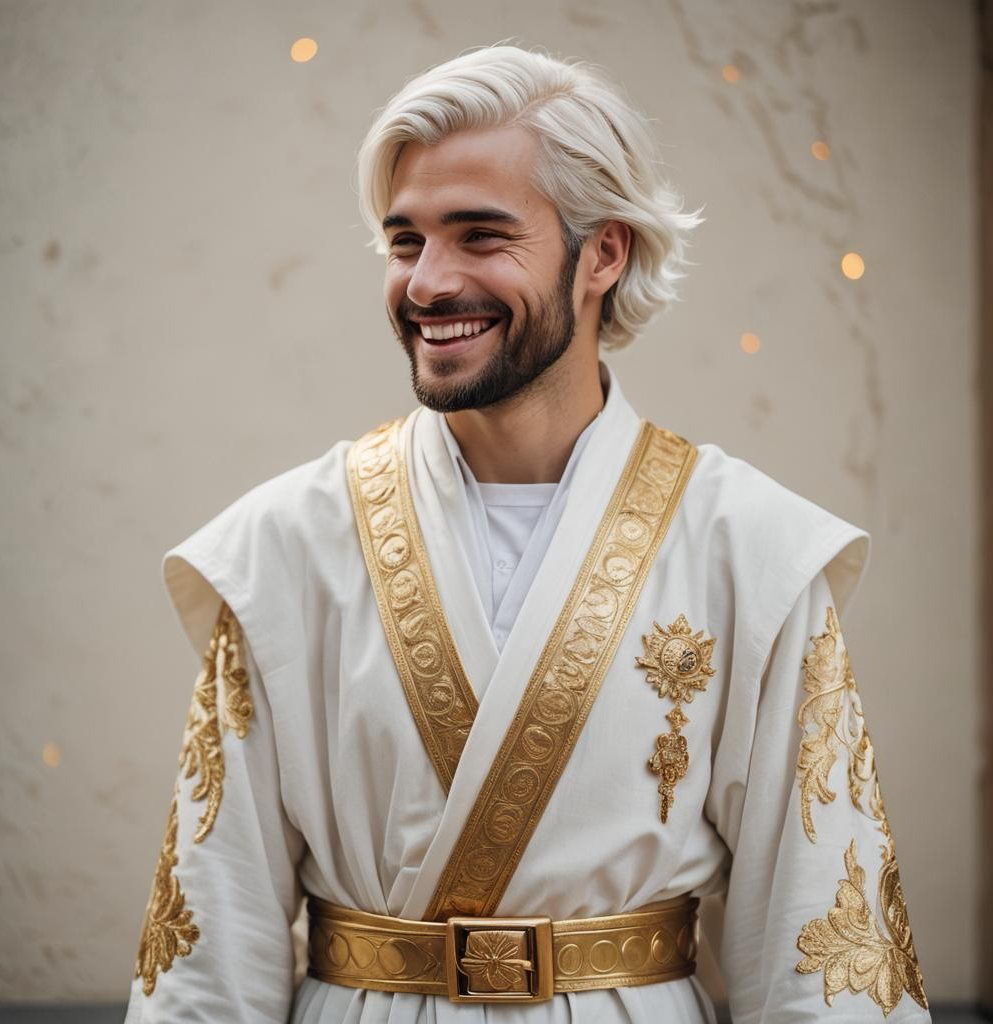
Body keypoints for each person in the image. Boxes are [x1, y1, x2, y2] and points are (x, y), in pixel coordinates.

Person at [124, 44, 930, 1023]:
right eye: (405, 240)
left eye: (479, 235)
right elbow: (211, 944)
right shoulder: (280, 550)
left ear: (604, 252)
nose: (426, 282)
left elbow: (823, 955)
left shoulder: (749, 551)